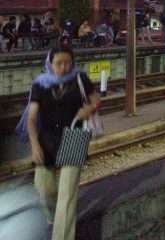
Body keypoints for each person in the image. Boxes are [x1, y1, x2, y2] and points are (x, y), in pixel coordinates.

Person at [18, 45, 101, 240]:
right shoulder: (40, 84)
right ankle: (54, 216)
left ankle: (62, 235)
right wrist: (34, 145)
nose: (64, 67)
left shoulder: (80, 78)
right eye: (59, 63)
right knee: (44, 188)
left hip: (74, 136)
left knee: (67, 194)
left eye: (68, 63)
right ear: (50, 63)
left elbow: (96, 100)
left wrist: (87, 110)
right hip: (46, 139)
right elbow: (31, 118)